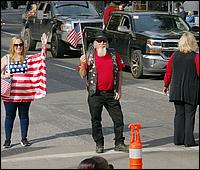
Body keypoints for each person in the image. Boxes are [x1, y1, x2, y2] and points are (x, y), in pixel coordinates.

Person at [78, 31, 128, 153]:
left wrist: (119, 90)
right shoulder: (89, 55)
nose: (102, 43)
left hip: (111, 93)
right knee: (96, 120)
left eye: (104, 41)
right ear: (95, 44)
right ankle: (99, 144)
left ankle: (119, 142)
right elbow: (82, 75)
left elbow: (120, 72)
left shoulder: (113, 54)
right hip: (96, 93)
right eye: (99, 41)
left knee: (118, 119)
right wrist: (82, 63)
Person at [1, 33, 48, 149]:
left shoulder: (28, 59)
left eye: (20, 45)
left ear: (23, 46)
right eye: (16, 45)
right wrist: (4, 74)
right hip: (10, 95)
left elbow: (41, 57)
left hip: (25, 94)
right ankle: (7, 140)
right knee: (9, 116)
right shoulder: (6, 59)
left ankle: (24, 138)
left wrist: (44, 45)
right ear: (12, 46)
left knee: (24, 116)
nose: (18, 47)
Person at [163, 32, 199, 147]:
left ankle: (178, 139)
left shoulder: (174, 55)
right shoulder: (196, 57)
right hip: (191, 90)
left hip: (176, 89)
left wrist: (165, 85)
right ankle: (189, 140)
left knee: (179, 114)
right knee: (190, 115)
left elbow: (168, 72)